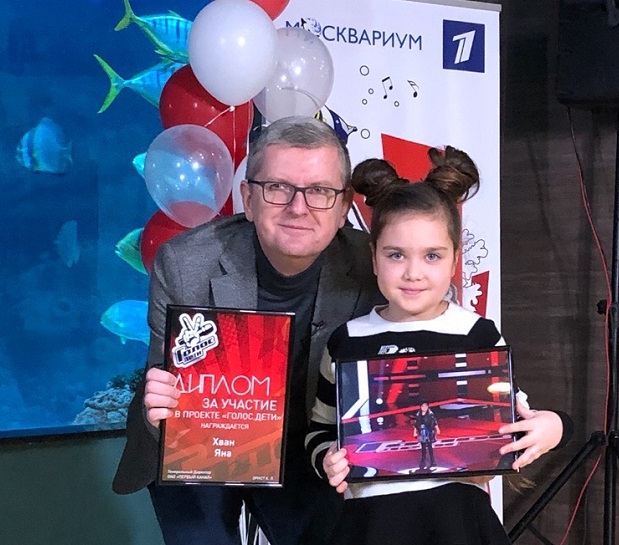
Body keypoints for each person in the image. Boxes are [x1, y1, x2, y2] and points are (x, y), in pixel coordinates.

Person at [112, 116, 385, 545]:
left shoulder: (376, 267)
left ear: (343, 205)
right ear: (248, 199)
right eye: (277, 187)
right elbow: (162, 385)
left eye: (319, 191)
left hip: (310, 445)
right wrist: (159, 409)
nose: (298, 208)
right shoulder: (185, 263)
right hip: (200, 443)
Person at [305, 146, 570, 545]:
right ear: (374, 258)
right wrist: (328, 459)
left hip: (458, 525)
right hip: (369, 528)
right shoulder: (347, 340)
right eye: (396, 255)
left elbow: (517, 422)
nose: (413, 273)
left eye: (432, 256)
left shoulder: (477, 334)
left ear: (454, 260)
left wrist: (554, 427)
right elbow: (319, 431)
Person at [413, 401, 439, 469]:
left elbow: (434, 422)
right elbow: (416, 424)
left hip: (429, 432)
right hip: (422, 432)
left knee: (430, 447)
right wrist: (415, 432)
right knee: (423, 447)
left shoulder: (430, 414)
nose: (424, 408)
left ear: (427, 407)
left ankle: (432, 461)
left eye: (425, 406)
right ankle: (423, 461)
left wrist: (437, 429)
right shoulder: (418, 415)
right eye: (422, 406)